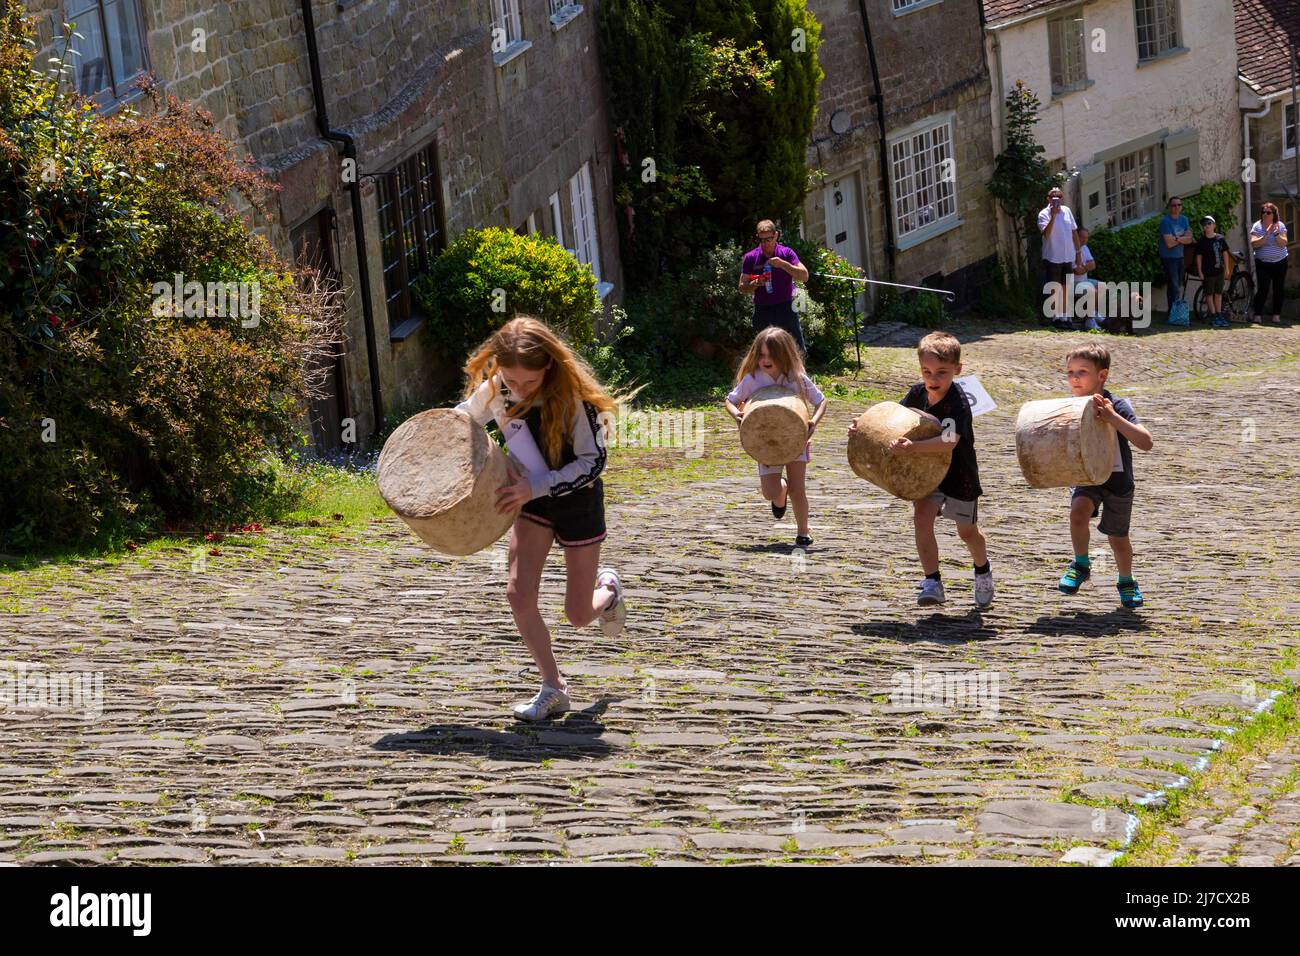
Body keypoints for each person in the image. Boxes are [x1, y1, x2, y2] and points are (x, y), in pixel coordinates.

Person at [454, 316, 628, 722]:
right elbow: (461, 420)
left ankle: (610, 589)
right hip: (528, 502)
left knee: (578, 616)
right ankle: (554, 688)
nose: (517, 390)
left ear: (549, 365)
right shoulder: (498, 387)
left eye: (528, 383)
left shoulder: (575, 402)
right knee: (517, 594)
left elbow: (594, 463)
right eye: (509, 380)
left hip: (576, 503)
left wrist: (540, 484)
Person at [849, 331, 992, 608]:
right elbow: (892, 421)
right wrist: (861, 426)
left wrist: (912, 448)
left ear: (957, 370)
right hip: (924, 475)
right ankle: (932, 581)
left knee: (967, 532)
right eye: (927, 371)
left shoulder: (958, 403)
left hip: (958, 476)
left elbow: (949, 441)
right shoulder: (917, 393)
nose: (933, 379)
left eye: (941, 372)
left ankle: (982, 569)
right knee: (922, 519)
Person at [1057, 343, 1154, 609]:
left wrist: (1112, 417)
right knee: (1078, 513)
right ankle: (1081, 564)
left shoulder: (1118, 405)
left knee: (1118, 539)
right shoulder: (1067, 407)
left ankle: (1126, 580)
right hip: (1087, 479)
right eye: (1070, 372)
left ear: (1102, 375)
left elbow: (1146, 442)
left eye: (1083, 372)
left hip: (1118, 482)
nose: (1074, 378)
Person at [725, 326, 827, 549]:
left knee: (798, 488)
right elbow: (730, 401)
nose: (765, 360)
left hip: (796, 438)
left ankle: (803, 532)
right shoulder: (753, 379)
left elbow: (821, 401)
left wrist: (813, 424)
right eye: (761, 355)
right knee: (769, 492)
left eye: (771, 355)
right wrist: (738, 416)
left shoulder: (796, 378)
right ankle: (780, 493)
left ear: (784, 355)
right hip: (765, 443)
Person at [739, 220, 810, 353]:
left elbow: (804, 276)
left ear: (776, 235)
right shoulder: (750, 257)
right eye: (762, 240)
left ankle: (798, 374)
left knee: (796, 350)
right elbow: (742, 287)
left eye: (769, 239)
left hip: (786, 307)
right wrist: (755, 283)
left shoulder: (786, 253)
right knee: (763, 351)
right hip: (763, 310)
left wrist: (783, 265)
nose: (766, 243)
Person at [1037, 187, 1081, 329]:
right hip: (1053, 257)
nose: (1057, 199)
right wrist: (1053, 216)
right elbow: (1046, 234)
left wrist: (1078, 252)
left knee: (1066, 287)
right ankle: (1056, 317)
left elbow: (1074, 232)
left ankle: (1066, 316)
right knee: (1055, 287)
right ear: (1048, 199)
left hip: (1068, 256)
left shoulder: (1067, 211)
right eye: (1053, 196)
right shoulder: (1044, 214)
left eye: (1059, 196)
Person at [1249, 202, 1289, 324]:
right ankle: (1257, 314)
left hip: (1280, 261)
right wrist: (1266, 234)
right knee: (1263, 288)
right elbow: (1254, 244)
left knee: (1278, 289)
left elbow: (1284, 242)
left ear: (1274, 214)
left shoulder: (1280, 225)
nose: (1265, 214)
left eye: (1268, 212)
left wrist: (1276, 234)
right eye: (1263, 212)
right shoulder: (1257, 226)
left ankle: (1276, 315)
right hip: (1263, 263)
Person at [1157, 197, 1194, 324]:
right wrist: (1181, 238)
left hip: (1180, 256)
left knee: (1177, 285)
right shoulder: (1165, 222)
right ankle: (1173, 314)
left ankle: (1173, 314)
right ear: (1169, 207)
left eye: (1179, 205)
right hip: (1168, 257)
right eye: (1173, 205)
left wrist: (1176, 239)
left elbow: (1189, 239)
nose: (1176, 207)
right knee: (1174, 286)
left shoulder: (1184, 220)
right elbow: (1168, 243)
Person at [1192, 215, 1230, 328]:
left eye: (1209, 223)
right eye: (1204, 224)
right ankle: (1213, 315)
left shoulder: (1220, 239)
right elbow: (1198, 257)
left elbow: (1225, 253)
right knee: (1209, 294)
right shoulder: (1202, 241)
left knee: (1218, 294)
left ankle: (1219, 314)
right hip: (1208, 272)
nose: (1207, 226)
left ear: (1214, 225)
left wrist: (1227, 268)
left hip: (1219, 271)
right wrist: (1200, 272)